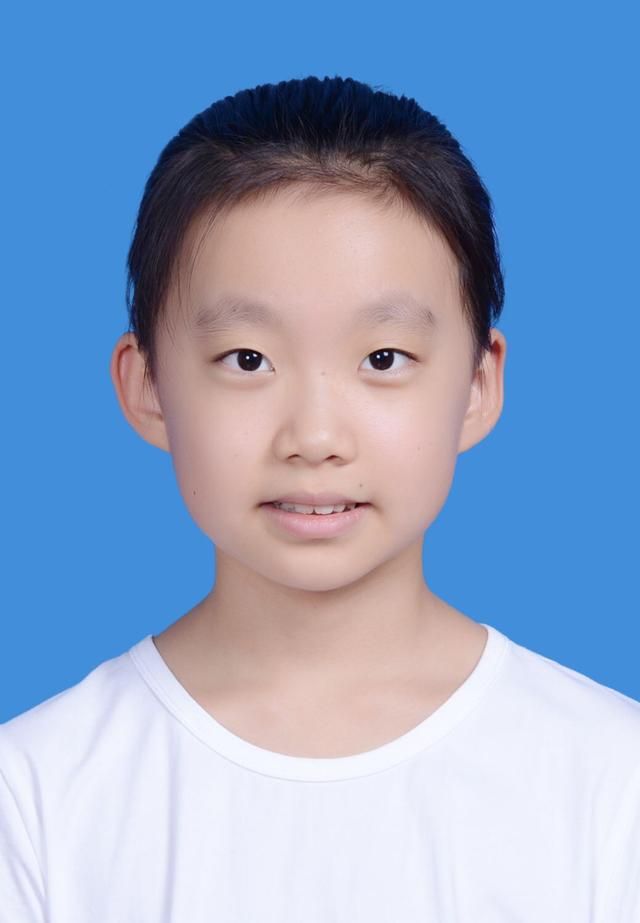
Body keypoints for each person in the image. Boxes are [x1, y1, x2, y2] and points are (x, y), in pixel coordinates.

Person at [1, 75, 638, 922]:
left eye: (382, 359)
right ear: (147, 384)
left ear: (478, 385)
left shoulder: (610, 781)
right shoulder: (35, 796)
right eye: (247, 360)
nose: (314, 435)